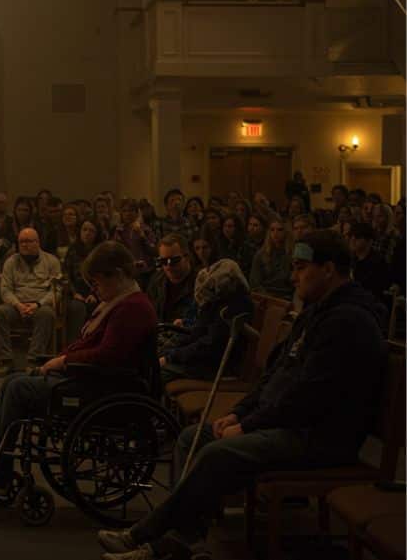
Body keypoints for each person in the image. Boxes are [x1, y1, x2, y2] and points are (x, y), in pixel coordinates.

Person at [97, 230, 387, 560]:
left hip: (320, 436)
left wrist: (249, 425)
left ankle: (145, 534)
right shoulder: (317, 312)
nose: (293, 277)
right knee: (192, 437)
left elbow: (308, 397)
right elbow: (275, 376)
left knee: (216, 453)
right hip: (289, 422)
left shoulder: (349, 321)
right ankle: (182, 538)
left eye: (300, 267)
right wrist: (240, 413)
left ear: (329, 269)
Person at [0, 241, 158, 491]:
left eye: (98, 282)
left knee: (18, 388)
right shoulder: (119, 302)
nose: (95, 289)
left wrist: (63, 361)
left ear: (119, 275)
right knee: (12, 382)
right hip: (96, 380)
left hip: (105, 389)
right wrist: (59, 361)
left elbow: (108, 356)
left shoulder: (132, 308)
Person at [158, 259, 254, 383]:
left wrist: (171, 357)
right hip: (201, 359)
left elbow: (211, 344)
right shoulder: (215, 300)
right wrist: (169, 351)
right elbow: (197, 333)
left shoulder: (236, 305)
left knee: (155, 373)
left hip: (216, 366)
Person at [0, 228, 61, 377]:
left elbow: (56, 291)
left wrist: (38, 304)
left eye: (29, 241)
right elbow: (5, 289)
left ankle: (34, 360)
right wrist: (18, 305)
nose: (25, 245)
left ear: (38, 242)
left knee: (47, 314)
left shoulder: (51, 261)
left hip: (40, 305)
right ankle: (5, 361)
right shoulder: (11, 262)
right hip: (16, 305)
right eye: (22, 242)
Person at [64, 219, 103, 343]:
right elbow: (66, 275)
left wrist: (95, 293)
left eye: (91, 231)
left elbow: (104, 276)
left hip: (98, 293)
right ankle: (74, 344)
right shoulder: (73, 250)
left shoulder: (101, 252)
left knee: (98, 307)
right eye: (84, 229)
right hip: (76, 293)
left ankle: (94, 344)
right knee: (77, 308)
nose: (87, 233)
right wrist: (74, 293)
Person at [145, 234, 197, 325]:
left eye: (174, 260)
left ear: (187, 257)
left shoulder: (199, 282)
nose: (168, 266)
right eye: (163, 261)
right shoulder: (157, 280)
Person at [111, 198, 157, 281]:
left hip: (144, 272)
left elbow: (153, 251)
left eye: (131, 210)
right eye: (125, 211)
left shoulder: (145, 229)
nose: (128, 214)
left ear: (136, 212)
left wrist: (142, 236)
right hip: (127, 272)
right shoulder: (119, 230)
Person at [248, 217, 293, 299]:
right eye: (272, 230)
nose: (275, 233)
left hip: (287, 295)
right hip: (266, 295)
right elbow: (255, 282)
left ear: (286, 232)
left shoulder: (292, 254)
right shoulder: (261, 254)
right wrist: (267, 297)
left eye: (280, 230)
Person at [349, 222, 391, 305]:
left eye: (358, 237)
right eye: (351, 236)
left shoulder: (378, 263)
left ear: (369, 241)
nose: (352, 239)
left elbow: (373, 291)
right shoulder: (352, 259)